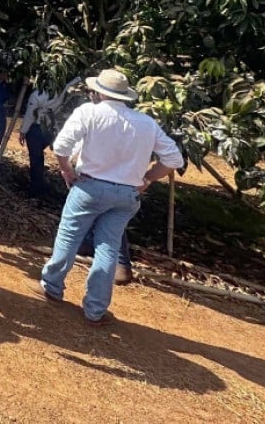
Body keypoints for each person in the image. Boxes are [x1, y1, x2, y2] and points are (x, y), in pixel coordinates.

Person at [26, 69, 184, 325]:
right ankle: (95, 309)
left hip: (90, 187)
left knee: (69, 236)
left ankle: (51, 287)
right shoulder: (146, 123)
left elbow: (61, 146)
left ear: (98, 91)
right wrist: (148, 179)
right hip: (126, 195)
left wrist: (67, 171)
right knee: (108, 246)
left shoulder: (89, 112)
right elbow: (174, 159)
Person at [17, 77, 82, 197]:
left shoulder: (37, 95)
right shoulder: (60, 92)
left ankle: (36, 188)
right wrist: (80, 78)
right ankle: (42, 183)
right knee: (44, 156)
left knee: (36, 158)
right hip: (51, 128)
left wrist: (23, 131)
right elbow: (69, 84)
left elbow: (30, 115)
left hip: (36, 128)